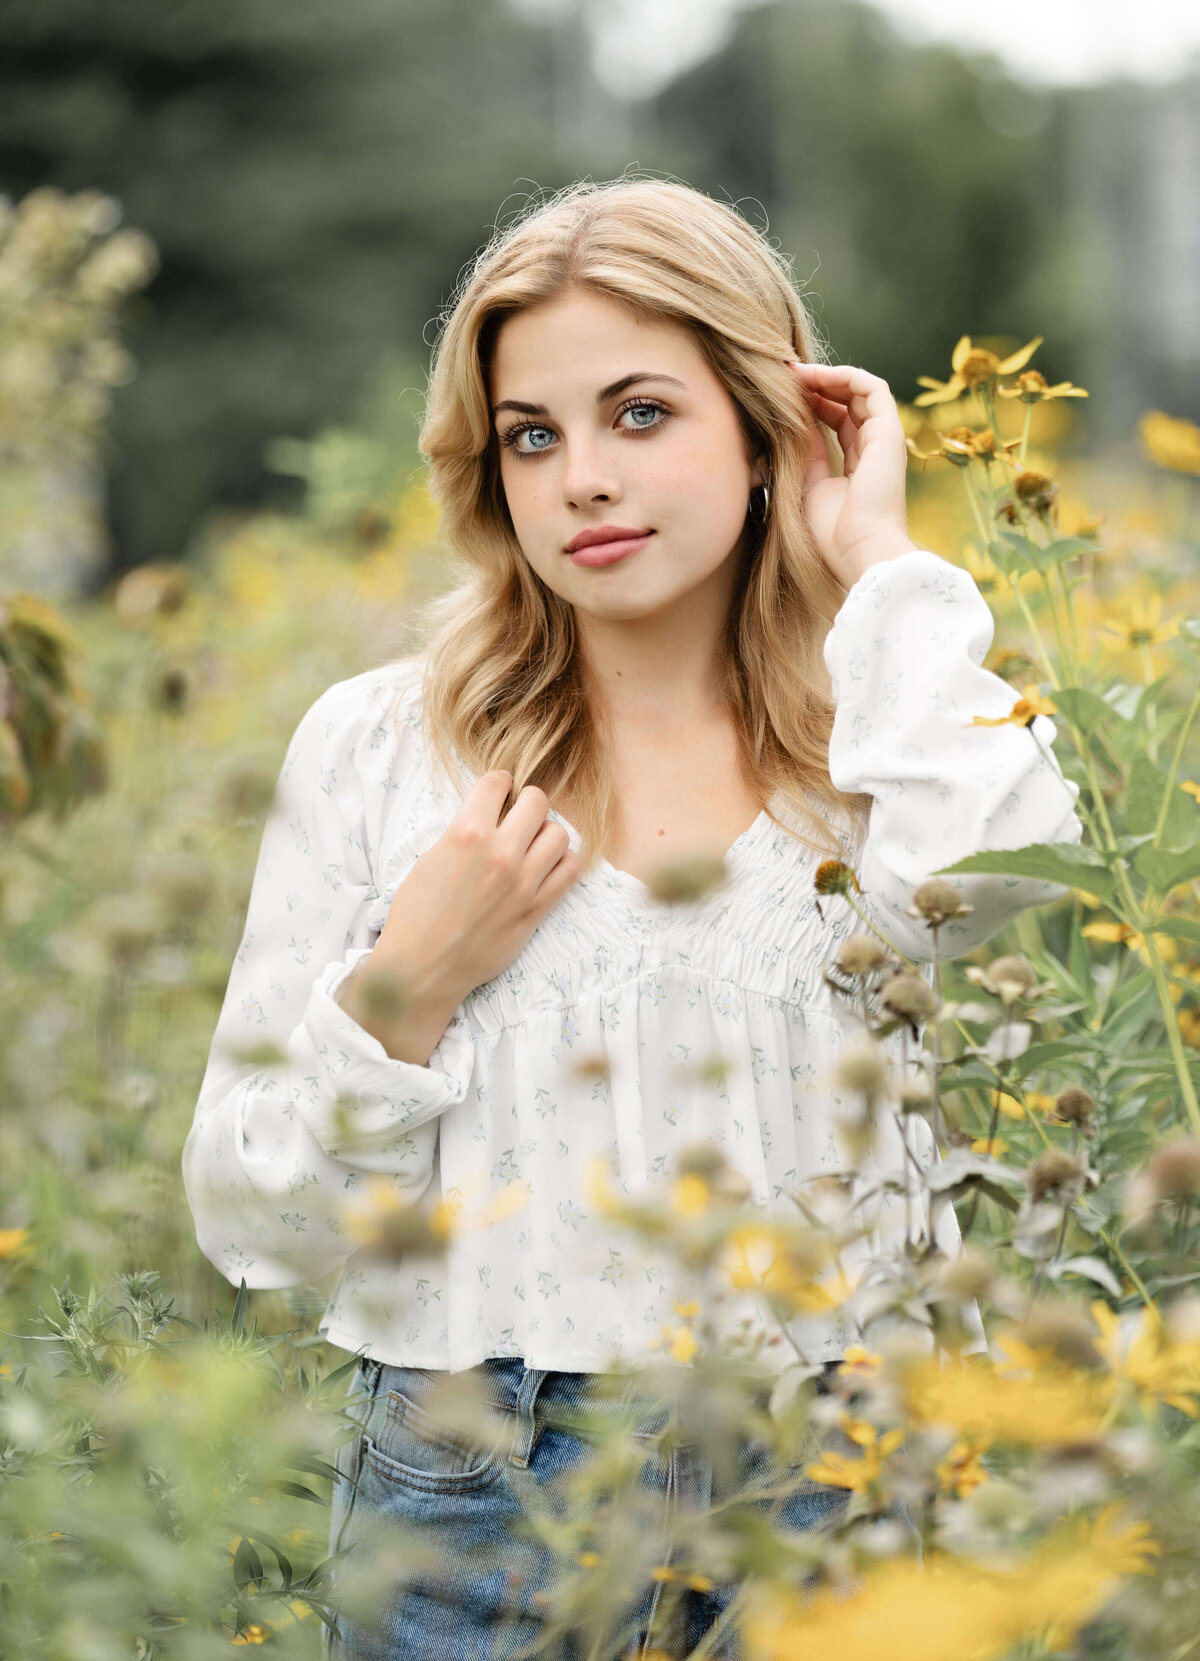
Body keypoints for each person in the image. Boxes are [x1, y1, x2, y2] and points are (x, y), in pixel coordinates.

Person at [182, 176, 1083, 1658]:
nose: (582, 476)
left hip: (843, 1487)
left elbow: (1011, 885)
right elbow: (249, 1215)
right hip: (473, 1494)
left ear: (765, 427)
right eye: (532, 434)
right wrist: (409, 983)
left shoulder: (889, 733)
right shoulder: (380, 750)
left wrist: (881, 560)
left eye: (641, 413)